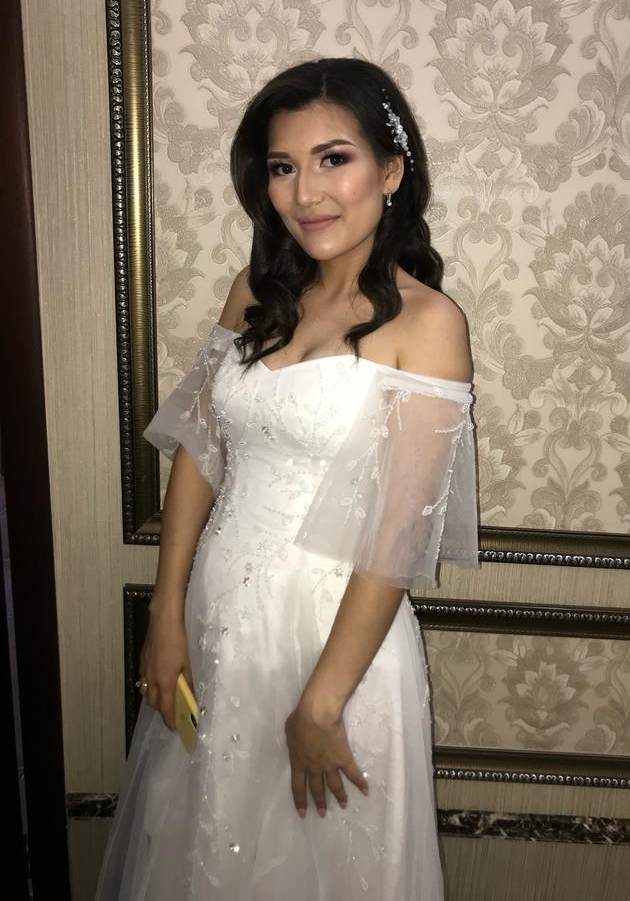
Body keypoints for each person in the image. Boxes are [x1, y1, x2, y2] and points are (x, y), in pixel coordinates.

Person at [95, 57, 479, 900]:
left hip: (337, 643)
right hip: (219, 615)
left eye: (333, 159)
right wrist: (165, 609)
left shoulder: (428, 323)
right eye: (282, 166)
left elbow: (395, 540)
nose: (305, 192)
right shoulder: (255, 291)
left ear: (391, 171)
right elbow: (200, 450)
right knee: (203, 842)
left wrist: (321, 705)